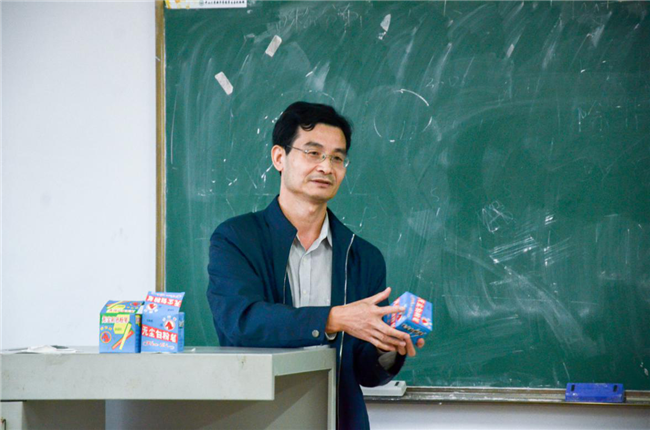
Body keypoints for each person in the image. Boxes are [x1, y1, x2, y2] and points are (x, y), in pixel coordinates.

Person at [207, 101, 425, 429]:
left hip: (336, 419)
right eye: (313, 153)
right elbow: (240, 323)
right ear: (279, 157)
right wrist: (332, 319)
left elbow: (365, 372)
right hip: (256, 418)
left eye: (337, 158)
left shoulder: (363, 256)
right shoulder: (236, 238)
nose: (326, 167)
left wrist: (389, 348)